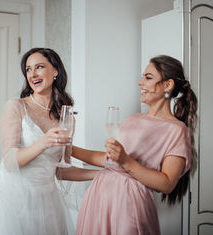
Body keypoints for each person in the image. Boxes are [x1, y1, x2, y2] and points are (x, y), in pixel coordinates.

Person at [0, 48, 98, 235]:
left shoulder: (66, 118)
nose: (33, 74)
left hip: (47, 200)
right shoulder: (16, 106)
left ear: (55, 71)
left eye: (39, 67)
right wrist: (44, 142)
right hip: (11, 198)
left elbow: (61, 170)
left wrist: (101, 174)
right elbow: (10, 162)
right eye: (28, 69)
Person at [73, 55, 198, 235]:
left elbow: (167, 184)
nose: (140, 83)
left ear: (168, 85)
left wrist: (125, 160)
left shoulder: (177, 130)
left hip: (129, 201)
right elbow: (109, 160)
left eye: (148, 78)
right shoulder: (133, 118)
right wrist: (69, 149)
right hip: (100, 195)